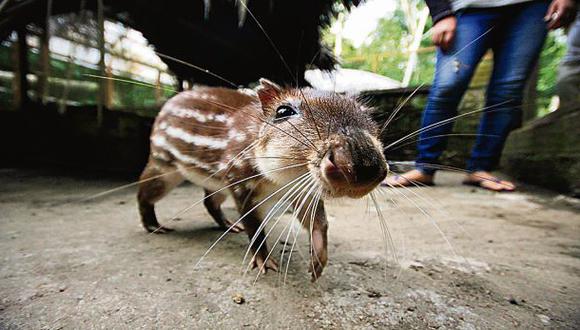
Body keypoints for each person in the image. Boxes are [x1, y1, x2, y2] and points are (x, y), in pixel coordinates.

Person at [384, 0, 577, 191]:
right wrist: (441, 13)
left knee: (507, 91)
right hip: (468, 8)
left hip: (531, 7)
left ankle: (481, 167)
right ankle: (424, 166)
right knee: (447, 86)